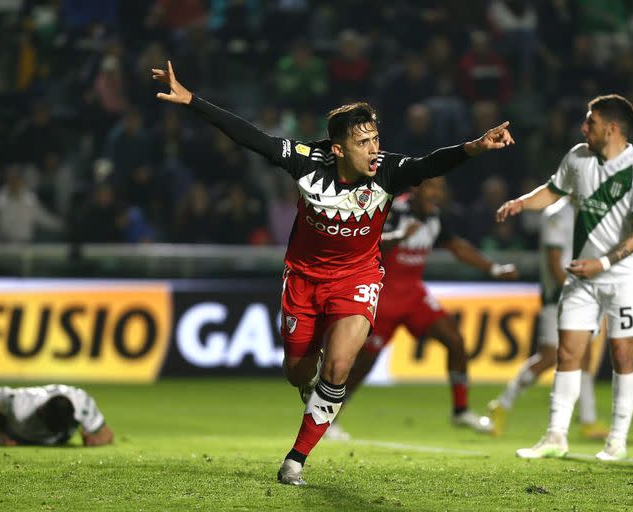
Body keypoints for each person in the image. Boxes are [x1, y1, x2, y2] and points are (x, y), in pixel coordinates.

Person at [152, 61, 515, 485]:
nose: (374, 149)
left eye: (376, 138)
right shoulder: (308, 162)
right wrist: (192, 100)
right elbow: (253, 139)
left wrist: (474, 146)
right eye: (363, 142)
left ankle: (295, 460)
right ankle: (314, 387)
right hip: (303, 280)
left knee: (340, 365)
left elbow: (431, 164)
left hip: (358, 279)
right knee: (297, 372)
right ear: (339, 149)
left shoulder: (389, 172)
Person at [496, 94, 633, 461]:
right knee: (568, 352)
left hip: (625, 277)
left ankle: (616, 440)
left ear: (612, 128)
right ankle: (556, 436)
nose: (584, 127)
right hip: (582, 275)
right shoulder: (578, 157)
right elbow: (552, 192)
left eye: (591, 122)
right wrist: (522, 202)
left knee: (622, 354)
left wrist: (602, 263)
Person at [326, 176, 518, 441]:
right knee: (364, 364)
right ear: (416, 188)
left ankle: (460, 410)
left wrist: (494, 268)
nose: (437, 193)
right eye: (431, 187)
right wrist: (399, 236)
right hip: (383, 297)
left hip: (414, 296)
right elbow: (369, 242)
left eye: (440, 187)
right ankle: (328, 418)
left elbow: (457, 247)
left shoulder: (436, 217)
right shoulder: (392, 210)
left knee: (455, 340)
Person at [488, 199, 609, 439]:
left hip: (580, 296)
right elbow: (555, 263)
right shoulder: (557, 215)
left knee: (585, 355)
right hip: (559, 298)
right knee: (549, 357)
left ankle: (588, 420)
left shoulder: (589, 211)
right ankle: (501, 404)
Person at [0, 384, 113, 447]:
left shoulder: (81, 403)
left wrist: (96, 440)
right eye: (52, 426)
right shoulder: (20, 405)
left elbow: (107, 434)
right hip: (0, 425)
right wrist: (1, 432)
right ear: (40, 412)